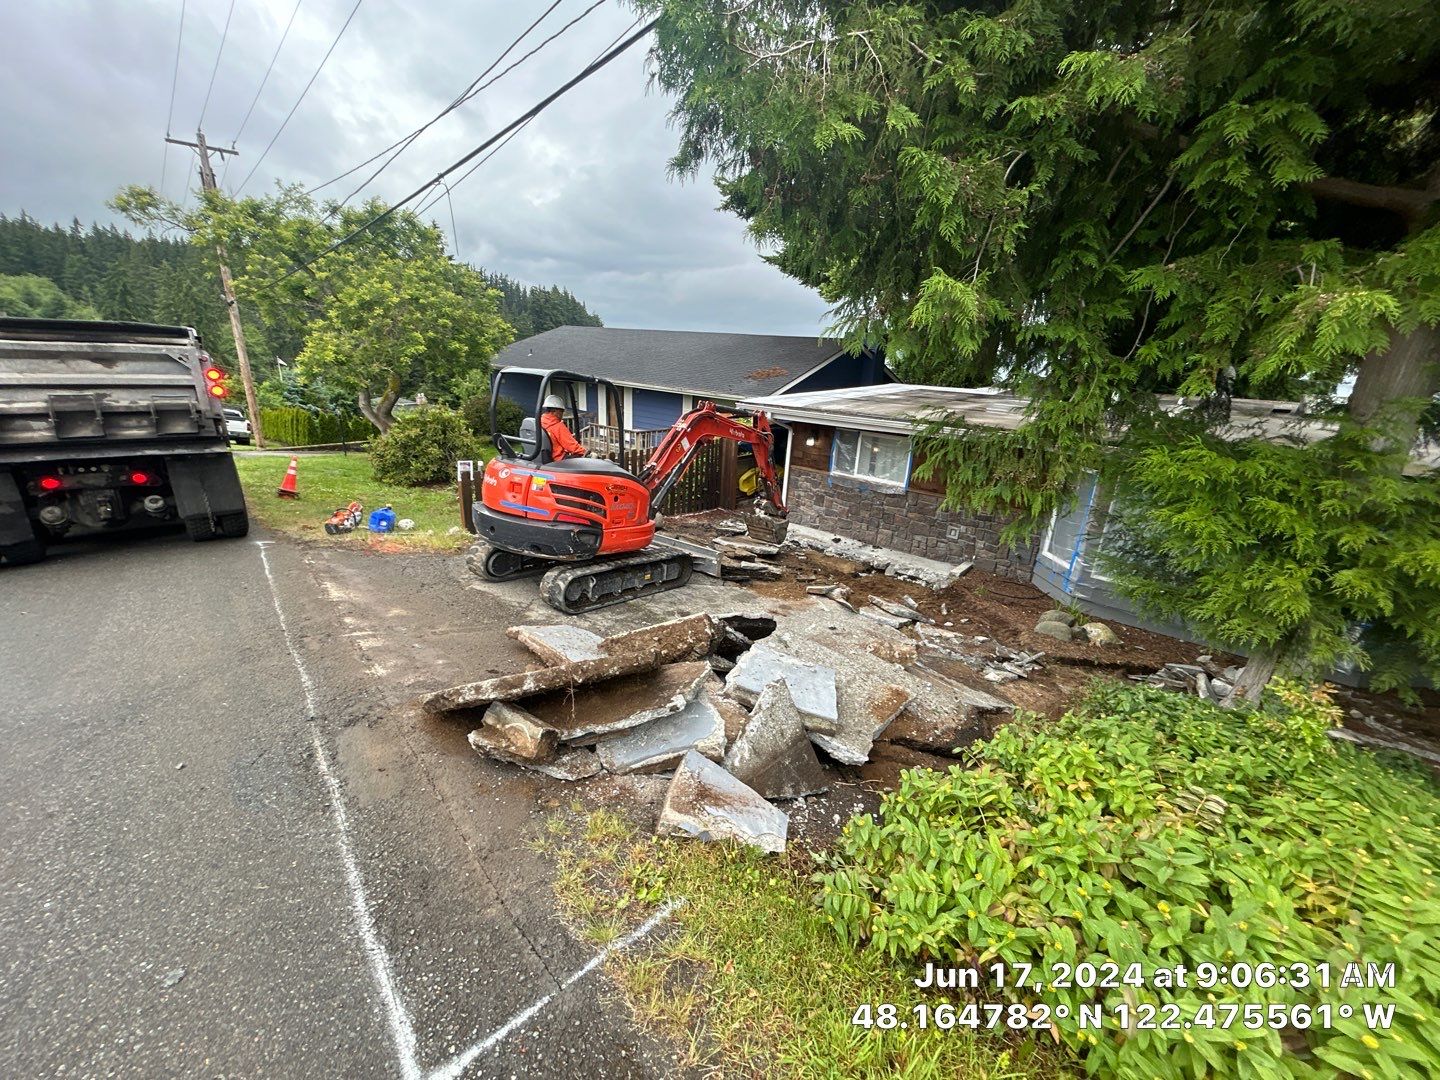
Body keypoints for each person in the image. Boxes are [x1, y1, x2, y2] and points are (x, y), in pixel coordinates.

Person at [539, 394, 586, 461]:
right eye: (562, 411)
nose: (562, 414)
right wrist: (584, 452)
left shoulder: (540, 422)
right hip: (558, 460)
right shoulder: (557, 426)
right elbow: (571, 445)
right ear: (555, 410)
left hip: (543, 458)